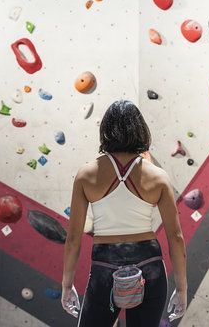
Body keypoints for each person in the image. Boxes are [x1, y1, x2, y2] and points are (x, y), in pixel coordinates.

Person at [61, 100, 187, 326]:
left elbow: (73, 238)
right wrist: (182, 289)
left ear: (105, 131)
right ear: (140, 129)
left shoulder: (86, 175)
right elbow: (176, 237)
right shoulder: (158, 177)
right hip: (150, 265)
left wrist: (66, 285)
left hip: (104, 266)